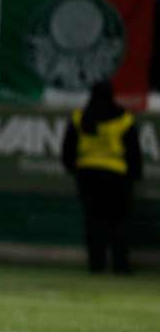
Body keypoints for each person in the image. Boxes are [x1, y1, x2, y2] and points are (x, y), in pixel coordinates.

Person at [62, 82, 141, 274]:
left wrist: (74, 168)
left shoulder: (80, 117)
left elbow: (68, 149)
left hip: (88, 175)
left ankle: (96, 264)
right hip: (117, 177)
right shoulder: (123, 119)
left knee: (94, 221)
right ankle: (120, 266)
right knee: (119, 221)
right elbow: (133, 151)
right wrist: (135, 174)